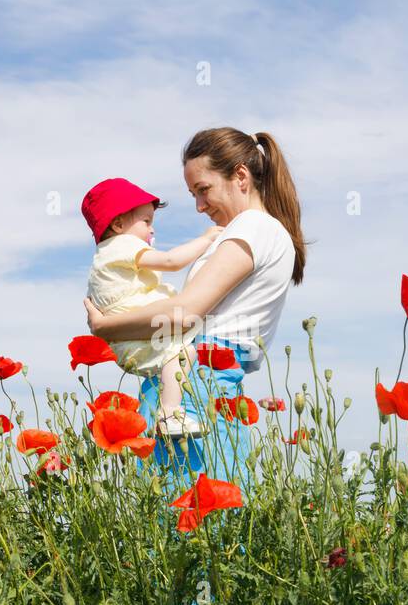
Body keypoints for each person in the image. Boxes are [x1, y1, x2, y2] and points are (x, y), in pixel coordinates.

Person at [84, 128, 307, 493]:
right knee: (210, 512)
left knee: (184, 515)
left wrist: (106, 328)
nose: (200, 207)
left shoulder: (252, 228)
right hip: (202, 378)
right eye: (193, 195)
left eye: (203, 190)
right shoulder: (257, 231)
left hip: (196, 381)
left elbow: (186, 313)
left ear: (240, 176)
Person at [82, 177, 224, 437]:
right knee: (183, 353)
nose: (152, 231)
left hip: (127, 343)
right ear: (118, 224)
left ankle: (166, 409)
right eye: (146, 222)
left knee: (175, 358)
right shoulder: (124, 244)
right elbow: (171, 261)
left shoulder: (102, 259)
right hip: (141, 335)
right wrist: (207, 240)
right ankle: (169, 414)